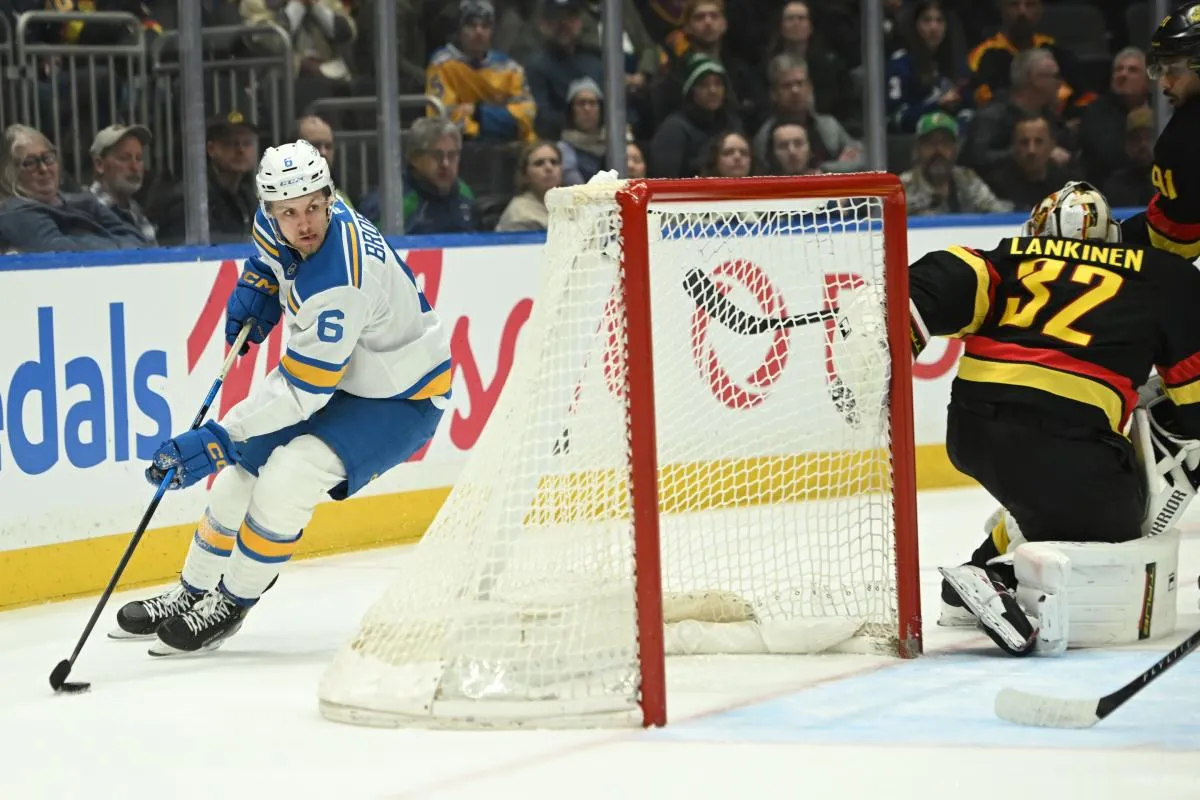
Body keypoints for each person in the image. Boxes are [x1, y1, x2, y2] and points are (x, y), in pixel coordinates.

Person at [110, 140, 451, 655]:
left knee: (287, 477)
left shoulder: (342, 280)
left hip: (401, 396)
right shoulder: (273, 224)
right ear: (269, 209)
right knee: (236, 483)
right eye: (289, 212)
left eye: (314, 206)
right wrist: (260, 281)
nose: (305, 222)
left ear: (330, 197)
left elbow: (301, 391)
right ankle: (191, 590)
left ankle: (230, 604)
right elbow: (272, 258)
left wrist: (219, 436)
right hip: (348, 375)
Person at [899, 181, 1200, 656]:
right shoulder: (1160, 278)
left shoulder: (1006, 259)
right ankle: (995, 572)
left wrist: (891, 323)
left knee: (1049, 495)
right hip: (1068, 439)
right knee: (1123, 520)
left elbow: (947, 273)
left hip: (974, 430)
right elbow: (1195, 402)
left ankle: (969, 582)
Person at [1121, 3, 1200, 260]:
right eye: (1161, 70)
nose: (1164, 83)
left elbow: (1175, 244)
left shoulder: (1180, 142)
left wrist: (1113, 241)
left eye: (1173, 70)